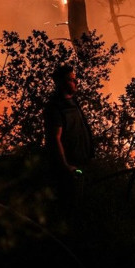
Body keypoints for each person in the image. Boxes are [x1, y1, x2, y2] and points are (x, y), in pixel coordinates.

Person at [43, 64, 93, 213]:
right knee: (69, 206)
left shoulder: (73, 103)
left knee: (80, 204)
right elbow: (55, 138)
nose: (75, 82)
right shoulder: (55, 107)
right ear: (60, 82)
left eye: (75, 79)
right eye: (71, 80)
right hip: (69, 167)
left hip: (81, 161)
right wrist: (65, 165)